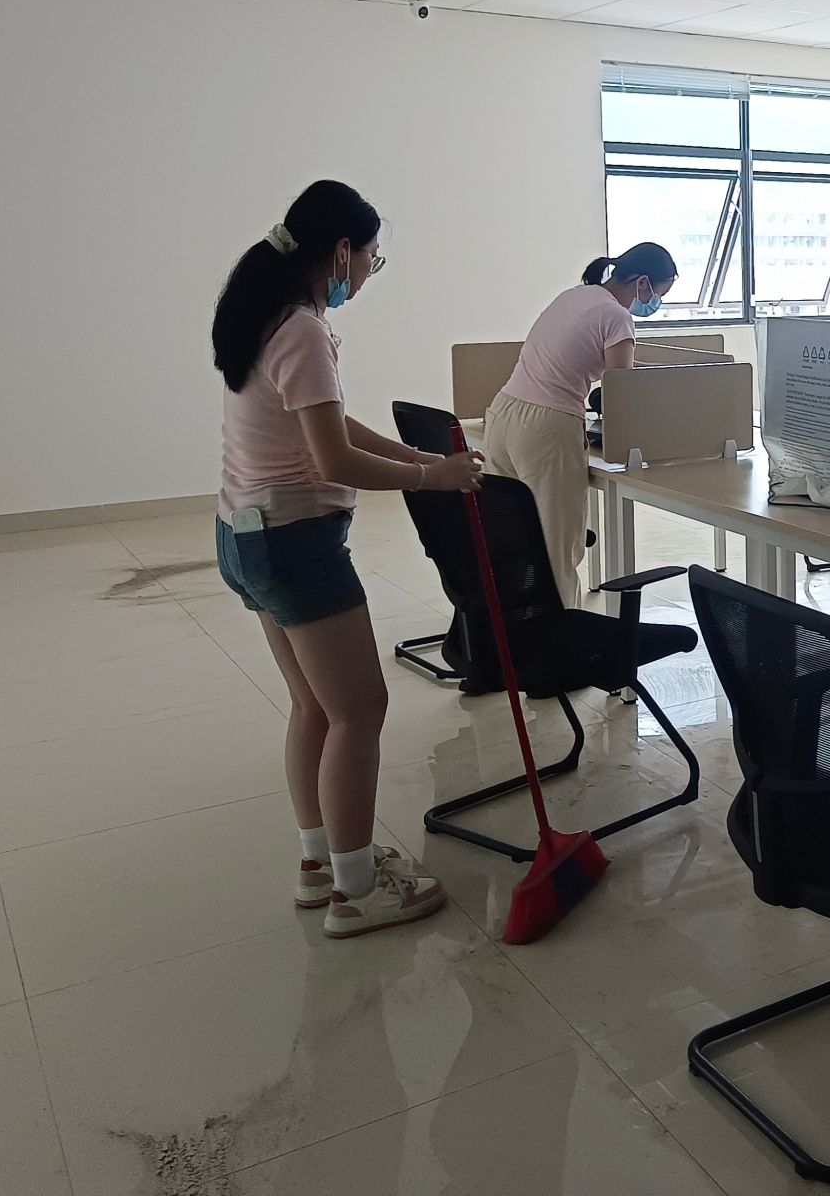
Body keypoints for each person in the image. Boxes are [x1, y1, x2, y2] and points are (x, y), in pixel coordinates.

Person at [211, 180, 483, 937]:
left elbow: (330, 424)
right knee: (360, 712)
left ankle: (320, 865)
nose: (368, 271)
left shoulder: (267, 315)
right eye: (371, 257)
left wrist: (420, 457)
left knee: (316, 708)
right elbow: (333, 459)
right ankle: (357, 891)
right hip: (295, 544)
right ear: (341, 252)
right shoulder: (302, 330)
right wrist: (431, 479)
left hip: (246, 535)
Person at [483, 242, 677, 607]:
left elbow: (608, 367)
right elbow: (622, 389)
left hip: (503, 415)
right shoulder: (617, 316)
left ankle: (510, 627)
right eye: (657, 295)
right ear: (642, 283)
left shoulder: (576, 295)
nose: (654, 304)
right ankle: (559, 636)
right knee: (557, 547)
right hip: (546, 429)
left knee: (510, 539)